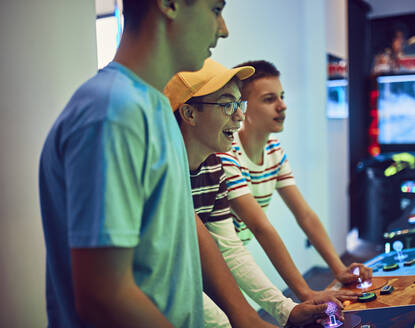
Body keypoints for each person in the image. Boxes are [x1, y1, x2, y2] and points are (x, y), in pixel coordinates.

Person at [39, 1, 272, 327]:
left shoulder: (156, 108)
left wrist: (244, 315)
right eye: (215, 9)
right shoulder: (113, 112)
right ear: (170, 5)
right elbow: (103, 296)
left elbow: (185, 221)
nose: (223, 29)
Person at [165, 58, 351, 327]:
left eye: (238, 104)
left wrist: (285, 308)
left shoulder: (214, 165)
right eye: (227, 104)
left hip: (203, 268)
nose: (238, 115)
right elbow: (259, 227)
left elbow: (230, 248)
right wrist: (297, 297)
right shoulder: (174, 167)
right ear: (189, 114)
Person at [217, 60, 373, 302]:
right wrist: (305, 292)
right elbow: (259, 226)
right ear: (243, 108)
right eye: (269, 99)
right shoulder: (227, 152)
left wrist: (339, 269)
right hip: (209, 262)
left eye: (282, 96)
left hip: (232, 258)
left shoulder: (274, 149)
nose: (282, 106)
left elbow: (305, 216)